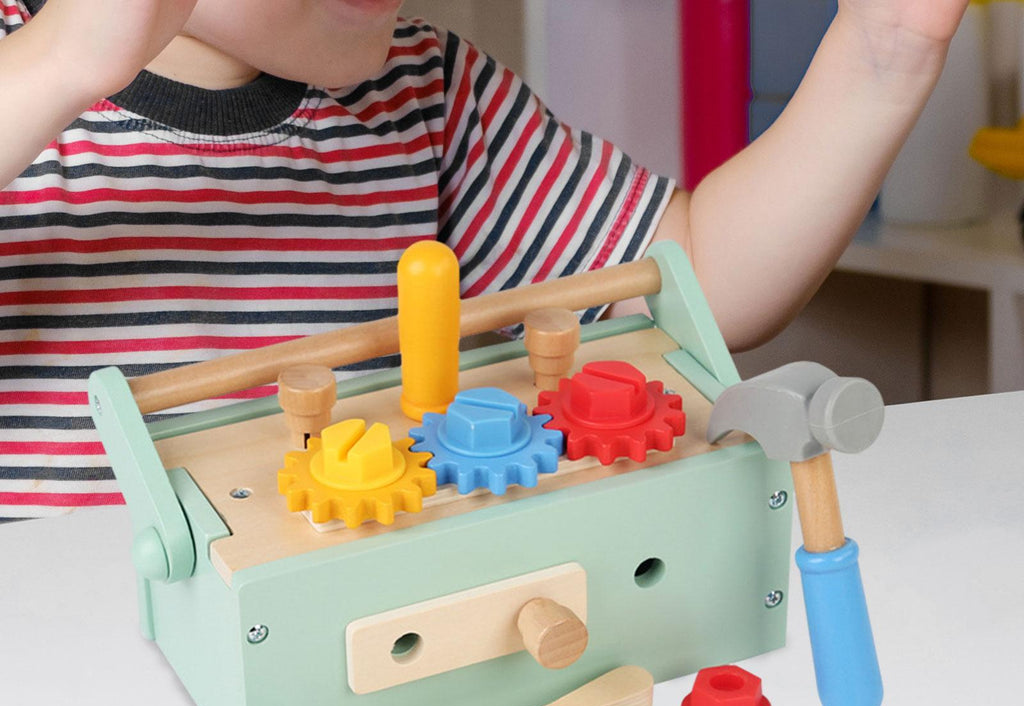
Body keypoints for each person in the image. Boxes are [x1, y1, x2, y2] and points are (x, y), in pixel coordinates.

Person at [0, 0, 969, 520]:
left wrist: (885, 45)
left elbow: (703, 283)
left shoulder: (423, 90)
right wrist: (61, 66)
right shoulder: (24, 83)